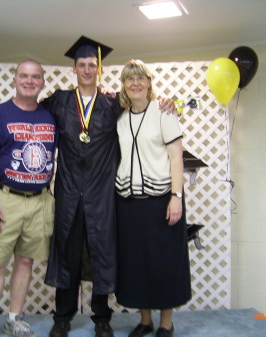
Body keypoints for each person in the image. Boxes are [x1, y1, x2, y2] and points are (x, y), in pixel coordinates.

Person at [42, 36, 177, 337]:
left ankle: (101, 317)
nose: (87, 69)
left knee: (102, 251)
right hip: (68, 193)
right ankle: (62, 317)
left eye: (92, 64)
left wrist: (166, 102)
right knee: (67, 251)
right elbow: (32, 114)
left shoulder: (113, 102)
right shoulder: (59, 101)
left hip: (102, 194)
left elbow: (142, 103)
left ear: (99, 69)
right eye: (82, 65)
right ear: (74, 68)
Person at [0, 59, 57, 337]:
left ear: (43, 82)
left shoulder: (49, 115)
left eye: (35, 77)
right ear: (15, 80)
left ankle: (14, 319)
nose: (29, 81)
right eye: (24, 76)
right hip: (5, 198)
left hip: (40, 200)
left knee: (25, 261)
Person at [115, 59, 192, 337]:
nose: (135, 83)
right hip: (128, 203)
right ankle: (145, 321)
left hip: (161, 200)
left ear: (148, 82)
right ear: (123, 85)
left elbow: (176, 157)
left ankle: (166, 324)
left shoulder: (164, 112)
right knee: (136, 263)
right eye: (129, 79)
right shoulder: (120, 118)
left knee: (165, 262)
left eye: (140, 78)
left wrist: (176, 197)